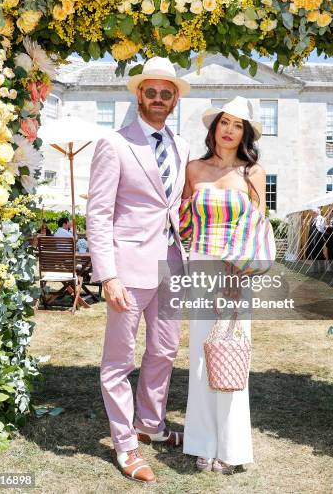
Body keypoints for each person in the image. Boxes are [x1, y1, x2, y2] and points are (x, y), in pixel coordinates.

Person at [86, 56, 190, 484]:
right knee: (118, 361)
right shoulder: (115, 143)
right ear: (139, 94)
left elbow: (176, 206)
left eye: (167, 93)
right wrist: (107, 274)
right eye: (152, 92)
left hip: (172, 265)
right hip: (127, 269)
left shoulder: (181, 146)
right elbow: (98, 213)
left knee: (164, 352)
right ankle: (126, 445)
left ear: (174, 99)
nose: (159, 99)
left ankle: (150, 424)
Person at [179, 96, 268, 474]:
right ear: (214, 128)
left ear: (245, 133)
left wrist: (239, 272)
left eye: (238, 125)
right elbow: (183, 221)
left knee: (232, 352)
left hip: (237, 273)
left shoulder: (253, 173)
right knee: (201, 355)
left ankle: (230, 448)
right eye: (224, 123)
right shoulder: (194, 169)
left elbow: (259, 227)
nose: (229, 130)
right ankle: (202, 442)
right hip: (201, 265)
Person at [305, 208, 326, 272]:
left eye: (313, 213)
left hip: (318, 238)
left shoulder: (321, 218)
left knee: (319, 253)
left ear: (317, 213)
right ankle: (315, 268)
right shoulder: (313, 219)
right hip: (312, 238)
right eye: (312, 213)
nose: (312, 214)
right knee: (313, 253)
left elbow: (322, 229)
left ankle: (322, 268)